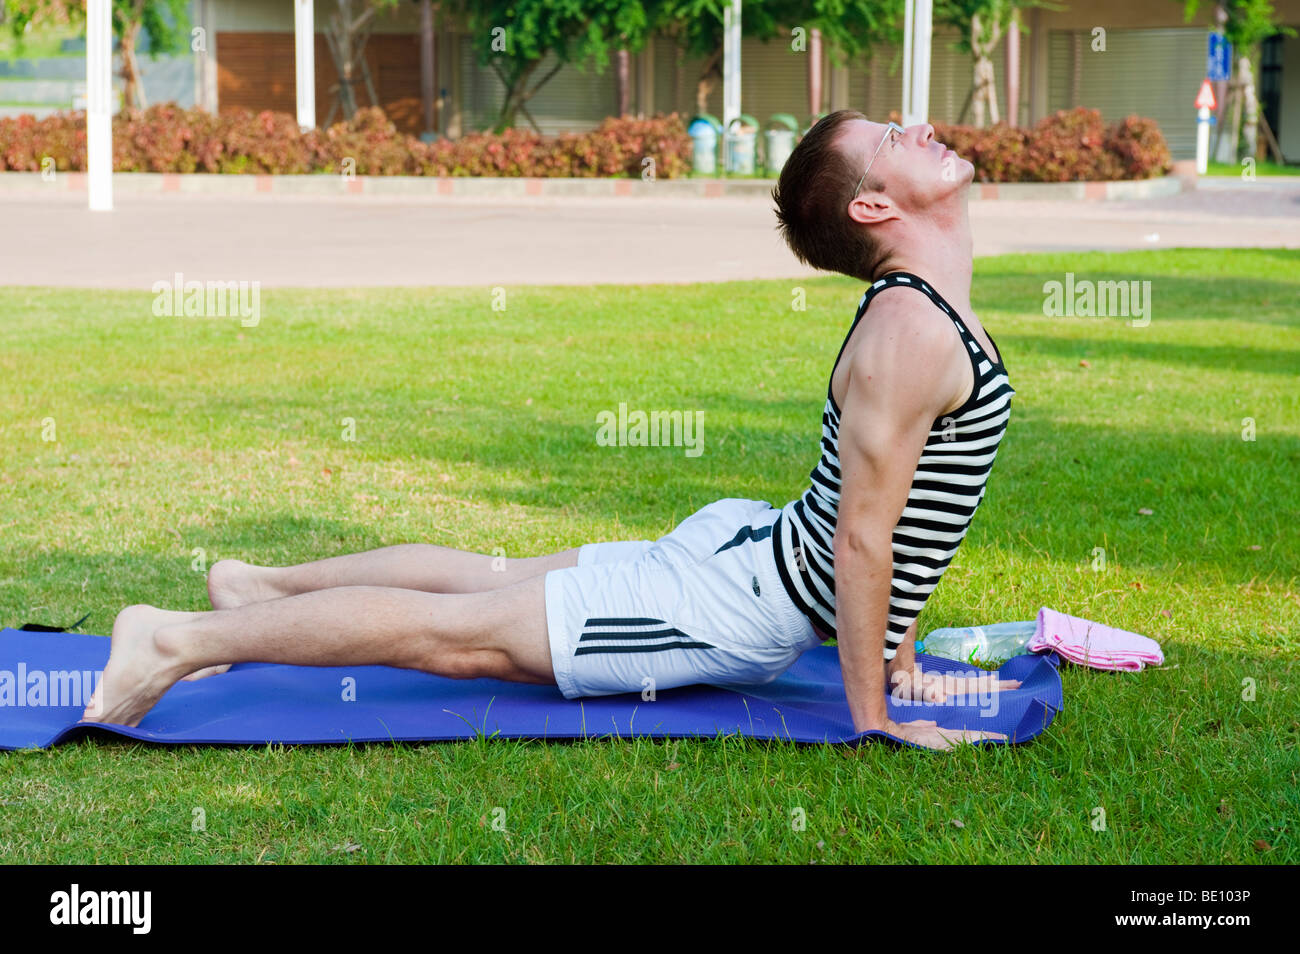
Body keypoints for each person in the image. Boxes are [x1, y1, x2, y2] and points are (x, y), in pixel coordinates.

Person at [84, 110, 1018, 750]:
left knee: (477, 582)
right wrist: (872, 717)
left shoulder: (924, 311)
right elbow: (866, 536)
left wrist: (899, 664)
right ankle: (174, 642)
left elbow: (910, 510)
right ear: (872, 207)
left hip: (750, 549)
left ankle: (255, 587)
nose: (923, 130)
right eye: (896, 136)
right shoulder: (913, 329)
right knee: (463, 634)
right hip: (744, 596)